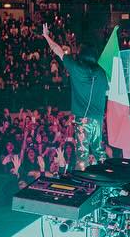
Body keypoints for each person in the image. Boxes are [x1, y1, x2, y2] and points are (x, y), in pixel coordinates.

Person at [41, 21, 107, 169]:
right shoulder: (101, 73)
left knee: (82, 155)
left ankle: (83, 180)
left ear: (82, 54)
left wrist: (46, 36)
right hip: (98, 118)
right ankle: (108, 175)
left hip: (83, 119)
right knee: (98, 150)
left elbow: (58, 50)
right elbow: (106, 91)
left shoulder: (76, 68)